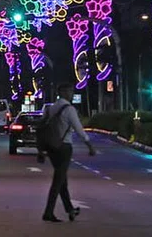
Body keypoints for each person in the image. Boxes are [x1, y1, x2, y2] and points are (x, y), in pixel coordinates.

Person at [41, 84, 96, 223]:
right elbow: (79, 129)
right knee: (58, 181)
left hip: (51, 146)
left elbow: (42, 128)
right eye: (70, 91)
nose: (72, 93)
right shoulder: (69, 109)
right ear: (63, 92)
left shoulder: (50, 109)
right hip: (64, 147)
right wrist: (89, 145)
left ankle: (70, 209)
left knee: (62, 180)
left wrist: (40, 150)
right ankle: (48, 212)